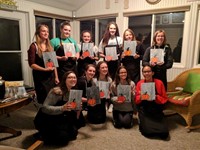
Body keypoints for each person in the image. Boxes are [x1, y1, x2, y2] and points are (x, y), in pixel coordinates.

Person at [34, 71, 85, 145]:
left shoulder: (74, 92)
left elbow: (75, 114)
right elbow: (45, 108)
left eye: (74, 77)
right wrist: (62, 108)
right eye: (69, 77)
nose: (73, 79)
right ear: (64, 80)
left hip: (63, 117)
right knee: (63, 139)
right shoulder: (56, 91)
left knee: (73, 134)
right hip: (49, 118)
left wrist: (79, 108)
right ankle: (42, 134)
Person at [135, 65, 169, 140]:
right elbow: (136, 101)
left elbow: (165, 99)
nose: (146, 73)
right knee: (147, 132)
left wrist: (155, 97)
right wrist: (141, 96)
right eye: (144, 72)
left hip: (156, 109)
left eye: (148, 71)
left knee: (164, 134)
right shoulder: (139, 83)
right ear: (142, 73)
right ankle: (141, 119)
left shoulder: (159, 83)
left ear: (153, 73)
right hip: (145, 109)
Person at [28, 24, 59, 104]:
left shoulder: (49, 46)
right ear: (38, 32)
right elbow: (31, 64)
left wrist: (56, 77)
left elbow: (53, 63)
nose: (46, 33)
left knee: (52, 97)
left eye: (47, 31)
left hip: (51, 76)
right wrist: (44, 69)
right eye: (43, 31)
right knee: (43, 98)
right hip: (40, 77)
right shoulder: (34, 46)